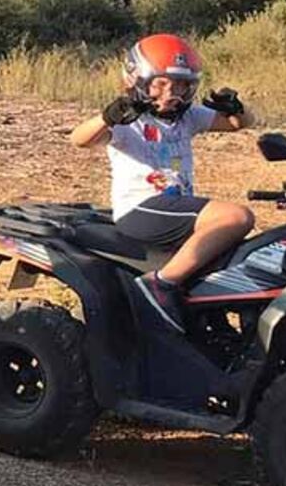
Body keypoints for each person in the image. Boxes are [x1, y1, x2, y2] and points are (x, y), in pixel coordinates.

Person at [69, 33, 253, 331]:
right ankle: (159, 285)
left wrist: (235, 108)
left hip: (173, 205)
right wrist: (107, 118)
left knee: (225, 260)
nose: (170, 93)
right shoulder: (130, 120)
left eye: (180, 85)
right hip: (140, 209)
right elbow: (79, 140)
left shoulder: (187, 117)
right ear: (138, 80)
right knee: (236, 217)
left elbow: (238, 124)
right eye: (161, 84)